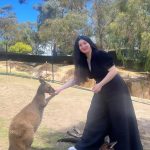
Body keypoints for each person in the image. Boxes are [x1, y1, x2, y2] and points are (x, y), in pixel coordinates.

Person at [55, 35, 143, 150]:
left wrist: (100, 84)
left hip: (116, 90)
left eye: (85, 43)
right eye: (80, 45)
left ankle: (122, 147)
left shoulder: (99, 54)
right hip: (101, 90)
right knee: (94, 116)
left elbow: (113, 71)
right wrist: (60, 89)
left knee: (119, 119)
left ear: (90, 43)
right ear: (78, 49)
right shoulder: (84, 62)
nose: (83, 46)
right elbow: (75, 79)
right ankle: (85, 146)